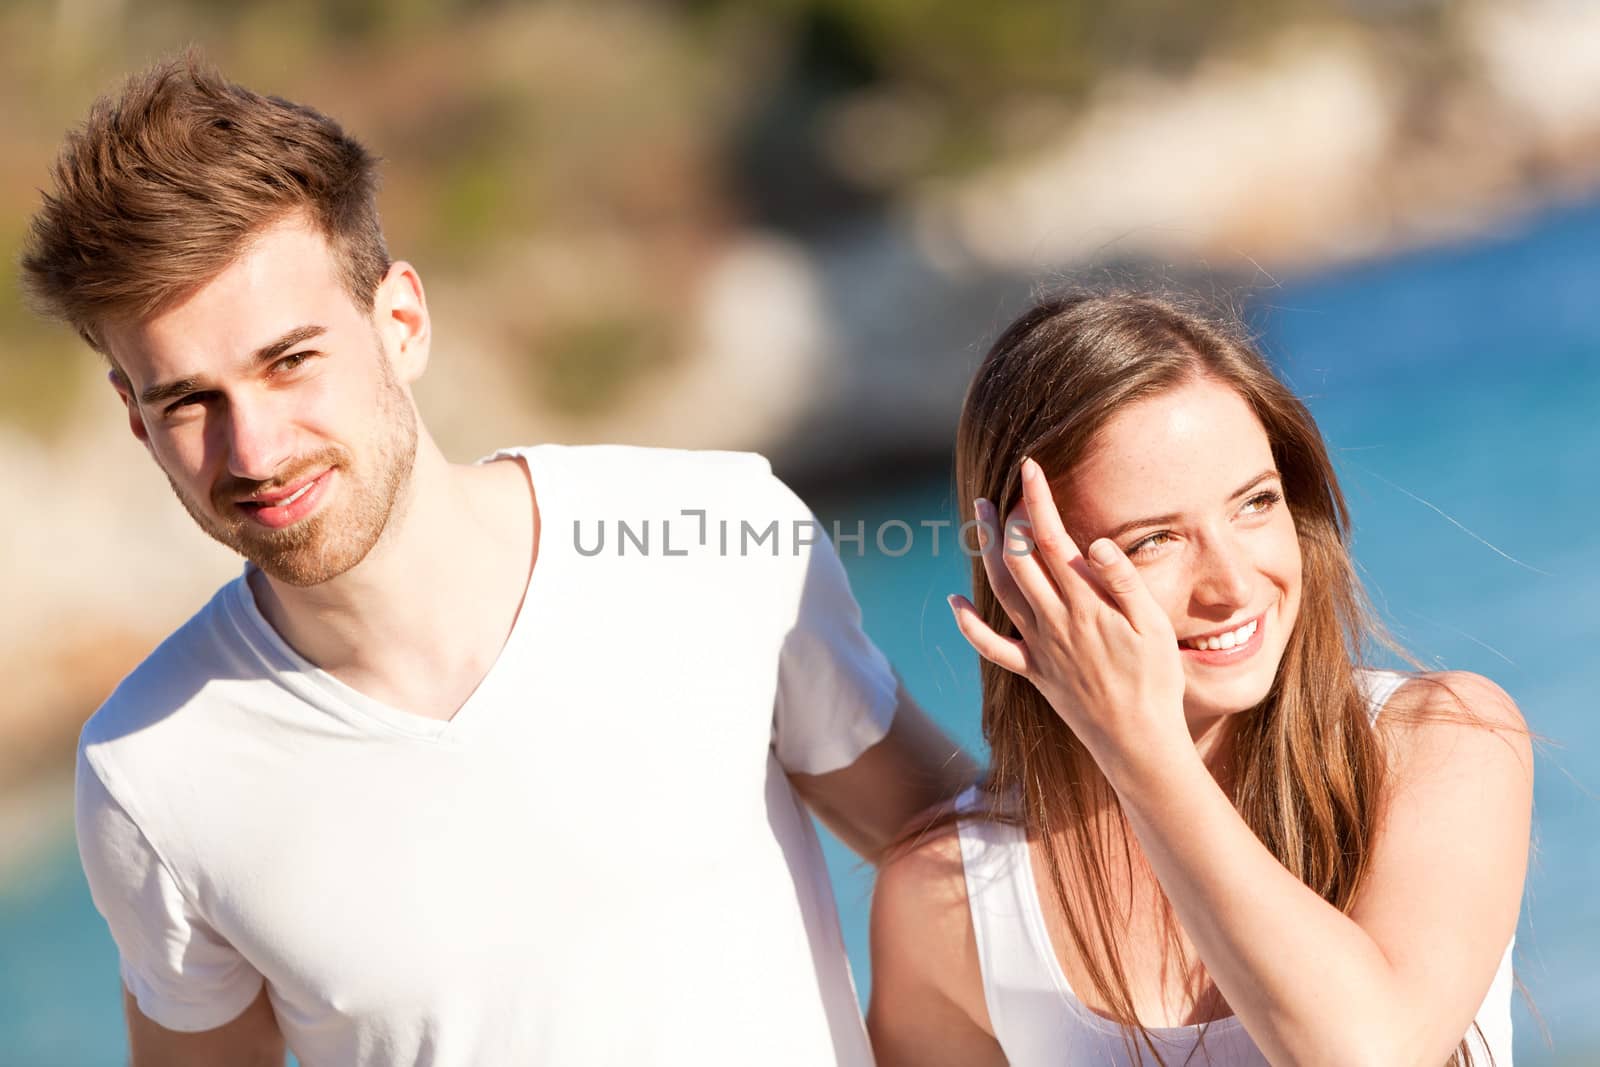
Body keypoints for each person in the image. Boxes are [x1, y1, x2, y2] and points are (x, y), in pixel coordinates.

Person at [21, 56, 975, 1066]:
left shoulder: (712, 532)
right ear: (135, 418)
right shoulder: (148, 769)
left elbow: (978, 878)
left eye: (290, 360)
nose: (252, 450)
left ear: (401, 323)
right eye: (188, 401)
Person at [867, 292, 1531, 1066]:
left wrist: (1142, 752)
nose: (1234, 585)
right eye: (1153, 541)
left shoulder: (1442, 742)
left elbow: (1365, 1052)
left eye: (1256, 502)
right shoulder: (950, 902)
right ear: (1026, 573)